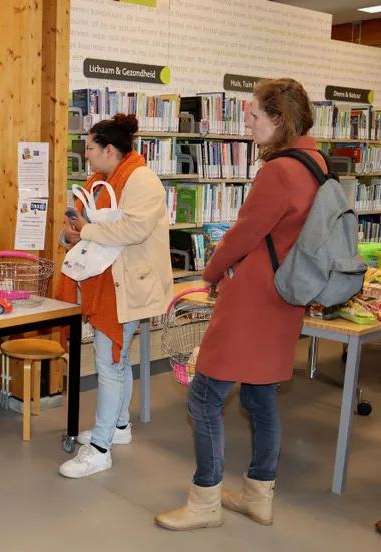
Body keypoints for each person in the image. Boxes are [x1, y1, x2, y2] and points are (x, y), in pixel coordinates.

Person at [154, 78, 320, 532]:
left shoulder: (279, 171)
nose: (245, 121)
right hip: (285, 300)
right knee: (261, 396)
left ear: (278, 119)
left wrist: (209, 273)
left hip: (252, 301)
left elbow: (244, 234)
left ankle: (204, 500)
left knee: (205, 397)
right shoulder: (318, 163)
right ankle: (257, 496)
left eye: (253, 114)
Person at [56, 113, 173, 479]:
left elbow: (133, 229)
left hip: (127, 286)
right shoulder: (100, 179)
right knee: (116, 362)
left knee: (108, 364)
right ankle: (119, 427)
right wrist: (73, 233)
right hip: (110, 281)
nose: (85, 156)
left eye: (90, 149)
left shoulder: (142, 179)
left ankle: (101, 448)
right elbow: (78, 228)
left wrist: (86, 230)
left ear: (109, 149)